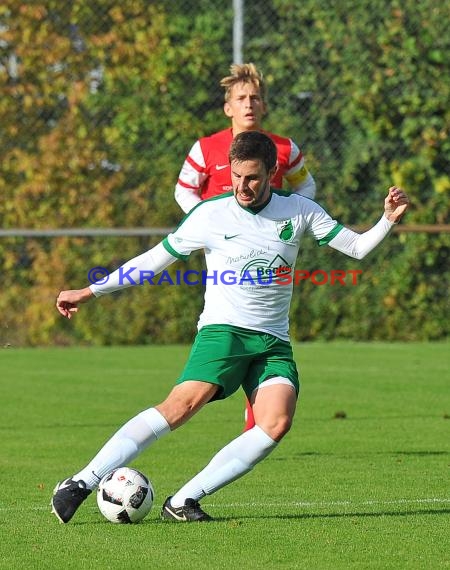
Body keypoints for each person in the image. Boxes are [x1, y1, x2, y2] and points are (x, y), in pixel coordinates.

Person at [51, 131, 409, 524]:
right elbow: (154, 260)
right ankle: (81, 482)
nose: (242, 186)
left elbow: (355, 248)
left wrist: (386, 221)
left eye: (252, 177)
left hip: (273, 341)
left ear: (273, 172)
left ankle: (184, 499)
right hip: (224, 332)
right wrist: (91, 290)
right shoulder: (210, 213)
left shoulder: (300, 210)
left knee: (276, 422)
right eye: (236, 176)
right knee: (180, 407)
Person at [175, 62, 317, 430]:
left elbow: (306, 188)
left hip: (268, 252)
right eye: (241, 98)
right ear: (228, 107)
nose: (249, 104)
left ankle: (257, 405)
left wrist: (287, 220)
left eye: (255, 97)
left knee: (260, 323)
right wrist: (209, 224)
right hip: (223, 252)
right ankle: (223, 389)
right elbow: (183, 189)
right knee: (228, 321)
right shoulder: (206, 148)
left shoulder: (284, 148)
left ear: (264, 105)